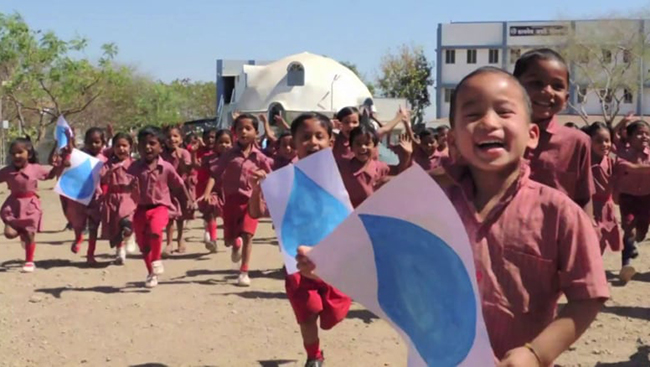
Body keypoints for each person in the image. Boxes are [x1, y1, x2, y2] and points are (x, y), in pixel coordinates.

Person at [297, 67, 609, 366]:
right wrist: (328, 261)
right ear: (455, 139)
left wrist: (537, 353)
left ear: (531, 134)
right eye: (473, 114)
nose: (488, 122)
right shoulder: (423, 203)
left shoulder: (559, 214)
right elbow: (386, 260)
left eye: (504, 112)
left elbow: (588, 297)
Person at [249, 113, 352, 367]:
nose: (313, 142)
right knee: (307, 314)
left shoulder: (342, 173)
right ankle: (313, 356)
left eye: (319, 136)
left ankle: (328, 320)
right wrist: (257, 189)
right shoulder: (283, 180)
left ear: (331, 141)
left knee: (333, 314)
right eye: (305, 137)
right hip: (298, 262)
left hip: (335, 260)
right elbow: (255, 213)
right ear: (293, 142)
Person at [513, 48, 594, 215]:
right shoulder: (498, 136)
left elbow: (583, 198)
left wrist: (588, 236)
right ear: (514, 87)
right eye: (536, 83)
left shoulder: (577, 142)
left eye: (557, 86)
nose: (548, 91)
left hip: (556, 237)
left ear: (566, 98)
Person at [201, 114, 272, 287]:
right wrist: (206, 192)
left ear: (256, 132)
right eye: (240, 129)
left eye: (248, 128)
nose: (244, 132)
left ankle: (244, 272)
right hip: (231, 202)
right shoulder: (229, 155)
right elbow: (215, 174)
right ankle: (235, 243)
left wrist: (264, 177)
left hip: (251, 201)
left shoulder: (260, 158)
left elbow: (272, 177)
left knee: (248, 235)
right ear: (235, 132)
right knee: (229, 239)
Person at [127, 126, 193, 288]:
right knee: (143, 245)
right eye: (143, 144)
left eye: (152, 143)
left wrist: (188, 201)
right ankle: (151, 273)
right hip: (140, 209)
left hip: (160, 207)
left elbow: (178, 186)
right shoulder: (134, 168)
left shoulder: (166, 168)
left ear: (160, 146)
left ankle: (156, 260)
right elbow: (127, 189)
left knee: (156, 232)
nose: (148, 147)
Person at [0, 137, 67, 272]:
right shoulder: (7, 171)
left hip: (30, 205)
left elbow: (49, 175)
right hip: (13, 205)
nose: (16, 156)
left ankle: (29, 261)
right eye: (13, 153)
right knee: (9, 233)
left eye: (20, 152)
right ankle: (22, 234)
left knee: (30, 233)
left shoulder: (35, 168)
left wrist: (60, 165)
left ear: (29, 154)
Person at [337, 125, 411, 208]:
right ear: (351, 147)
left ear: (375, 147)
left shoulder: (381, 168)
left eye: (367, 143)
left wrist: (406, 155)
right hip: (351, 217)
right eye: (358, 144)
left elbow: (402, 176)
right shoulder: (343, 169)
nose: (363, 147)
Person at [64, 127, 109, 265]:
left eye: (97, 142)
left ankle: (91, 254)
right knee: (79, 224)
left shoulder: (105, 158)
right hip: (80, 197)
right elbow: (71, 152)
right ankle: (78, 238)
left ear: (103, 143)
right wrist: (70, 138)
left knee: (94, 226)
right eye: (90, 142)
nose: (94, 145)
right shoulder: (81, 155)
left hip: (96, 197)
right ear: (85, 142)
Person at [613, 120, 650, 283]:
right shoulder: (623, 152)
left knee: (641, 234)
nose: (645, 136)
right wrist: (623, 122)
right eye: (640, 133)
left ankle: (633, 243)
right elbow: (629, 167)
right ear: (630, 137)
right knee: (629, 229)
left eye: (647, 134)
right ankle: (625, 266)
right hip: (628, 197)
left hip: (647, 198)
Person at [583, 122, 622, 256]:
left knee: (603, 239)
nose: (604, 144)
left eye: (607, 140)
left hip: (607, 207)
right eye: (599, 141)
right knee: (593, 238)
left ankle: (596, 265)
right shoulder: (584, 162)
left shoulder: (612, 162)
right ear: (589, 142)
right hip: (590, 207)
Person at [100, 132, 137, 265]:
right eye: (118, 146)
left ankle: (130, 235)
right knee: (115, 226)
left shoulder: (134, 164)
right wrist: (109, 173)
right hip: (112, 197)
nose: (121, 149)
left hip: (128, 196)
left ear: (130, 147)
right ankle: (120, 250)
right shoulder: (108, 164)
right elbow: (101, 179)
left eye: (124, 146)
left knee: (126, 219)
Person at [196, 129, 233, 253]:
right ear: (216, 144)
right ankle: (212, 239)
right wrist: (205, 193)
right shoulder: (209, 159)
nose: (224, 145)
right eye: (221, 142)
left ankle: (231, 238)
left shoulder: (235, 158)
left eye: (227, 142)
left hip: (230, 192)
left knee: (229, 217)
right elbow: (207, 174)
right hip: (214, 191)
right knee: (210, 211)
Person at [161, 125, 194, 255]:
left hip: (181, 188)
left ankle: (180, 238)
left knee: (180, 216)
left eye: (175, 136)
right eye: (168, 137)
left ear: (181, 139)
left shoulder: (184, 153)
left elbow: (187, 170)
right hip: (166, 188)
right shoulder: (162, 154)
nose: (172, 139)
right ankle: (169, 242)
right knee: (169, 216)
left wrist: (180, 159)